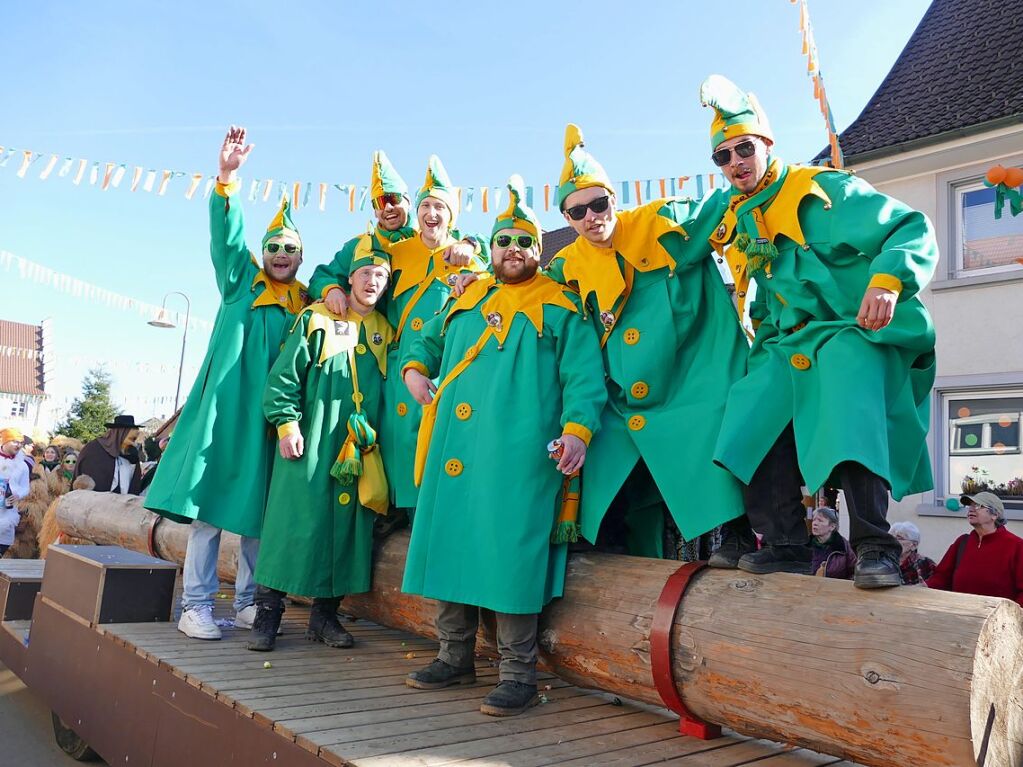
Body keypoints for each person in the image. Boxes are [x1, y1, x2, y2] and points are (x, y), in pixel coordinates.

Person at [700, 75, 938, 588]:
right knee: (748, 409)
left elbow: (910, 227)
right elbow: (767, 299)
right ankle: (785, 544)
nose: (736, 162)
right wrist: (761, 345)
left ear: (766, 145)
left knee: (845, 397)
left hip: (856, 328)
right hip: (792, 343)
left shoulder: (825, 191)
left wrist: (888, 281)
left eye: (744, 148)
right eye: (723, 156)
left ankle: (876, 547)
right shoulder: (742, 220)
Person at [401, 176, 606, 716]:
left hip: (517, 453)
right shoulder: (466, 296)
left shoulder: (561, 305)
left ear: (539, 251)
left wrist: (577, 431)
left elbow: (584, 378)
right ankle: (455, 655)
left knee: (510, 554)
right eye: (503, 242)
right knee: (451, 543)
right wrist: (415, 368)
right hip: (455, 448)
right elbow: (425, 339)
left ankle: (518, 674)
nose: (512, 250)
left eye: (523, 242)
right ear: (490, 249)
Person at [542, 124, 747, 558]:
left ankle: (735, 534)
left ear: (613, 200)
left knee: (713, 435)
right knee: (604, 458)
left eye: (598, 204)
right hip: (621, 399)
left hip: (688, 383)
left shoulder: (663, 221)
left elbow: (729, 205)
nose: (590, 217)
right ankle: (598, 544)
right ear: (566, 218)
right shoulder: (565, 266)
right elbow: (523, 292)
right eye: (577, 212)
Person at [144, 126, 308, 640]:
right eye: (274, 246)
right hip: (225, 412)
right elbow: (227, 236)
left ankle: (248, 602)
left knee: (260, 515)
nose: (281, 253)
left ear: (301, 257)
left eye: (290, 248)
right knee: (210, 512)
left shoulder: (305, 302)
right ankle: (195, 604)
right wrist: (228, 178)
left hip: (270, 420)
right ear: (264, 252)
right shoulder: (241, 280)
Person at [248, 248, 394, 652]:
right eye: (365, 272)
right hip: (312, 440)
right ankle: (267, 615)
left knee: (346, 529)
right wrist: (286, 423)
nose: (372, 281)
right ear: (349, 278)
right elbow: (284, 378)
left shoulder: (384, 329)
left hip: (356, 451)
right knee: (291, 525)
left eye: (380, 276)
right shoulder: (316, 318)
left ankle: (324, 617)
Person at [308, 150, 416, 317]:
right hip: (376, 335)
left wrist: (470, 242)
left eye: (393, 199)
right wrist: (332, 290)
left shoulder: (427, 239)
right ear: (374, 211)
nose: (387, 208)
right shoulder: (359, 245)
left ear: (408, 201)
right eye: (380, 202)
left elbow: (459, 243)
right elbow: (323, 276)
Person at [927, 492, 1023, 605]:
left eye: (978, 506)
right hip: (960, 615)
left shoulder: (1016, 546)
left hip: (997, 619)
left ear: (994, 515)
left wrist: (1011, 618)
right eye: (970, 506)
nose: (971, 510)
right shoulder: (962, 542)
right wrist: (924, 588)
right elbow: (941, 577)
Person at [75, 415, 143, 494]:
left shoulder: (132, 456)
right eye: (132, 428)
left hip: (124, 503)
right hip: (98, 503)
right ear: (120, 432)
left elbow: (135, 484)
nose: (137, 432)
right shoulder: (95, 450)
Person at [809, 507, 856, 579]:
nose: (815, 523)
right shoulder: (806, 545)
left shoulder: (843, 546)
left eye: (820, 520)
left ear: (832, 527)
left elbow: (854, 572)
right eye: (814, 520)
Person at [890, 521, 935, 585]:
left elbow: (937, 588)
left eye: (899, 538)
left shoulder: (925, 563)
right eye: (891, 538)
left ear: (914, 545)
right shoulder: (882, 561)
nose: (893, 541)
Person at [0, 427, 31, 515]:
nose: (19, 446)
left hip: (8, 512)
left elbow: (25, 487)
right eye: (15, 442)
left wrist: (18, 495)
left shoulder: (23, 465)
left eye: (21, 443)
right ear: (5, 441)